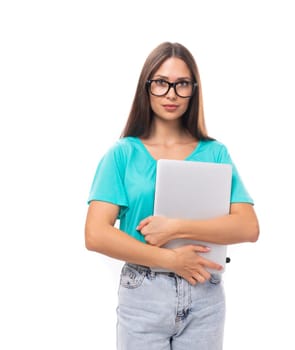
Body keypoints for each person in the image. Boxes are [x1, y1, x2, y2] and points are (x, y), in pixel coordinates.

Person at [84, 41, 260, 350]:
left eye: (182, 85)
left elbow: (248, 227)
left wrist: (176, 227)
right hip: (143, 294)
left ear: (194, 90)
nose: (171, 94)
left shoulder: (215, 153)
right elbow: (95, 234)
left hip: (204, 293)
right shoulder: (122, 154)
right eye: (162, 83)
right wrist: (171, 259)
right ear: (147, 87)